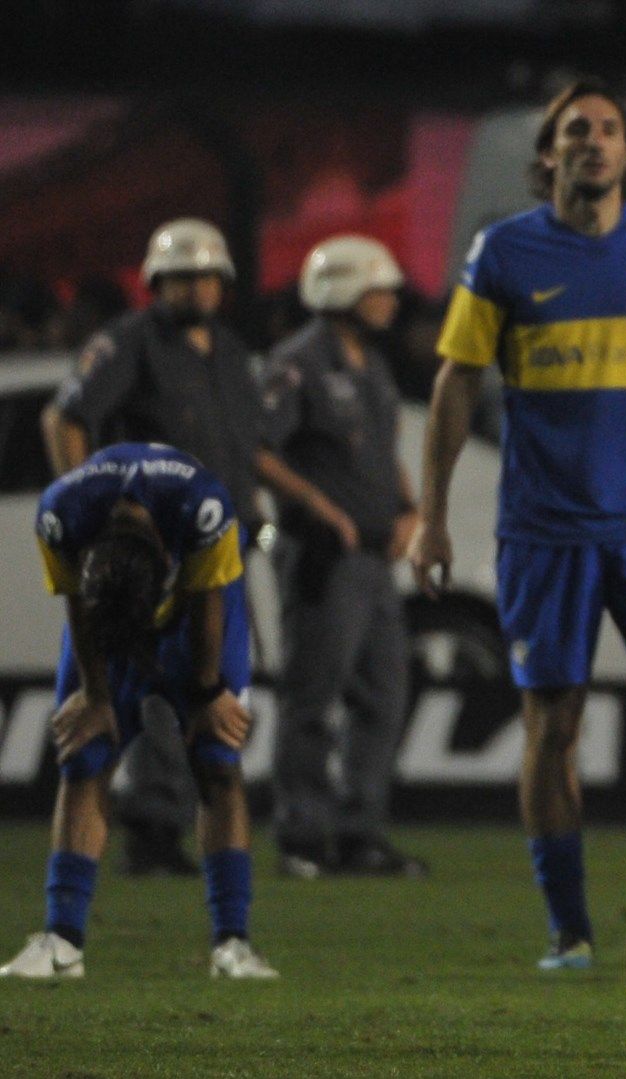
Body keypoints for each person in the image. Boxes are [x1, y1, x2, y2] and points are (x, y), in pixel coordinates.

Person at [413, 77, 626, 972]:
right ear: (548, 155)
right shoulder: (505, 253)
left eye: (609, 129)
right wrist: (433, 516)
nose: (595, 142)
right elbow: (455, 385)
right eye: (577, 130)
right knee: (553, 724)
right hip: (546, 531)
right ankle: (568, 927)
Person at [40, 218, 273, 879]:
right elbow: (65, 416)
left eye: (204, 275)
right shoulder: (129, 343)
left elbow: (243, 446)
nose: (194, 287)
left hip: (218, 543)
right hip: (150, 554)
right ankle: (153, 826)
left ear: (222, 283)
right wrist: (88, 515)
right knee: (152, 684)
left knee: (207, 684)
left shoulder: (228, 351)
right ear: (153, 283)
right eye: (179, 277)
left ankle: (173, 820)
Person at [0, 444, 277, 980]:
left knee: (217, 756)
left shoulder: (202, 507)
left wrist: (207, 693)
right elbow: (79, 609)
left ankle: (232, 943)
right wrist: (98, 696)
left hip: (198, 617)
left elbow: (211, 602)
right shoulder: (60, 513)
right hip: (110, 623)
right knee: (85, 752)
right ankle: (62, 943)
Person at [256, 235, 427, 879]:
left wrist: (410, 507)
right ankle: (302, 836)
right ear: (343, 291)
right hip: (325, 555)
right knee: (313, 695)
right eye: (379, 290)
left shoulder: (371, 367)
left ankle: (359, 833)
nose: (390, 302)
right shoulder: (296, 362)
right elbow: (260, 449)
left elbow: (384, 452)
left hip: (376, 555)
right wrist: (318, 507)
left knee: (384, 693)